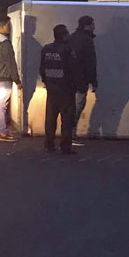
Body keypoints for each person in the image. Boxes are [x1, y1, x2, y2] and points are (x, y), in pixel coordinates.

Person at [39, 24, 78, 154]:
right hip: (65, 89)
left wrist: (47, 82)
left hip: (51, 88)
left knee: (50, 117)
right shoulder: (67, 50)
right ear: (64, 35)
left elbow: (42, 69)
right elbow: (73, 70)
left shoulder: (46, 49)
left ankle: (48, 144)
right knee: (66, 119)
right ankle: (65, 146)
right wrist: (75, 85)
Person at [68, 15, 97, 144]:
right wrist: (94, 81)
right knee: (78, 105)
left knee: (70, 106)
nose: (94, 27)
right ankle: (71, 135)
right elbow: (91, 62)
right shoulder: (87, 40)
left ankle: (68, 133)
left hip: (69, 79)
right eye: (93, 24)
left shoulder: (72, 38)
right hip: (82, 79)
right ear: (87, 25)